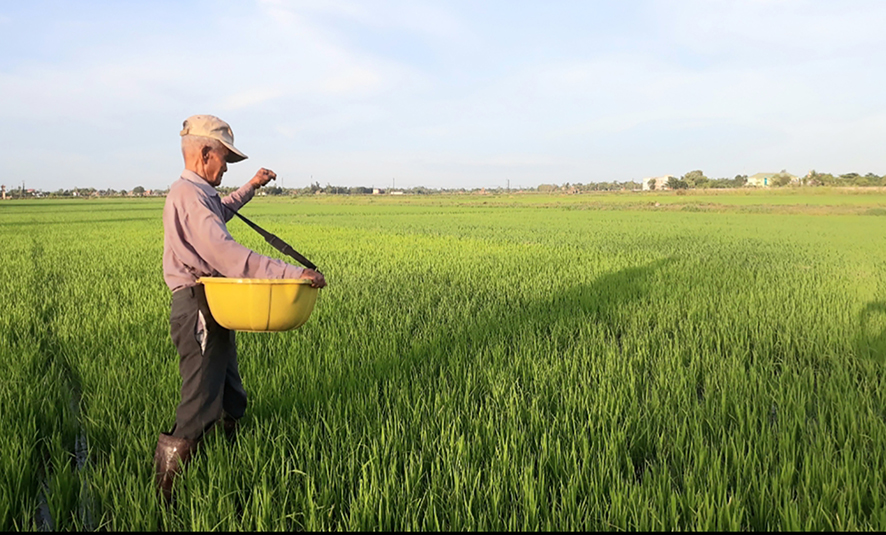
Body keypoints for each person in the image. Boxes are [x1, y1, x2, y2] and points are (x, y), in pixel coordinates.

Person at [154, 114, 326, 501]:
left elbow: (220, 214)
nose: (226, 169)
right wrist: (290, 274)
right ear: (204, 154)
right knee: (199, 400)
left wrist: (251, 187)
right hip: (198, 304)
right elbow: (226, 252)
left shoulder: (198, 195)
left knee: (230, 392)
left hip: (215, 302)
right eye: (225, 160)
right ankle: (163, 496)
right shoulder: (188, 195)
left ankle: (232, 461)